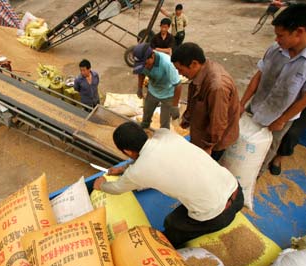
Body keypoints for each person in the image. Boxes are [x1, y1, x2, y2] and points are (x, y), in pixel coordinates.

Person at [93, 122, 243, 247]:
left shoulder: (137, 172)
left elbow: (117, 188)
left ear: (126, 151)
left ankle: (168, 248)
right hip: (236, 191)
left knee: (171, 224)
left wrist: (101, 185)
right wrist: (123, 168)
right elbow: (147, 156)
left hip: (216, 216)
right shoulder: (165, 135)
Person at [239, 3, 306, 176]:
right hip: (256, 106)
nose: (277, 39)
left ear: (299, 32)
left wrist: (282, 119)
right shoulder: (275, 49)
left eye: (281, 35)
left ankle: (253, 177)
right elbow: (258, 76)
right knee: (241, 139)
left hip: (279, 116)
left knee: (266, 149)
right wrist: (242, 103)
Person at [269, 10, 306, 175]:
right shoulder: (288, 46)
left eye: (280, 36)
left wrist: (283, 119)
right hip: (296, 91)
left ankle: (279, 157)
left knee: (292, 131)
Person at [171, 43, 240, 161]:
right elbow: (195, 100)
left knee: (205, 167)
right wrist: (186, 119)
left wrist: (208, 147)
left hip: (214, 142)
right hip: (201, 131)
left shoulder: (217, 87)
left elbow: (218, 123)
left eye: (180, 69)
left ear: (194, 64)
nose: (179, 73)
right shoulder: (201, 72)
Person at [133, 43, 182, 129]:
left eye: (145, 64)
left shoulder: (167, 63)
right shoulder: (142, 62)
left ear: (152, 56)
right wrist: (139, 88)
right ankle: (144, 127)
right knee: (146, 113)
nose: (144, 67)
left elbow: (178, 85)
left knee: (164, 123)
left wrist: (175, 105)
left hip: (168, 95)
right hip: (153, 91)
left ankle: (164, 136)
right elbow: (141, 73)